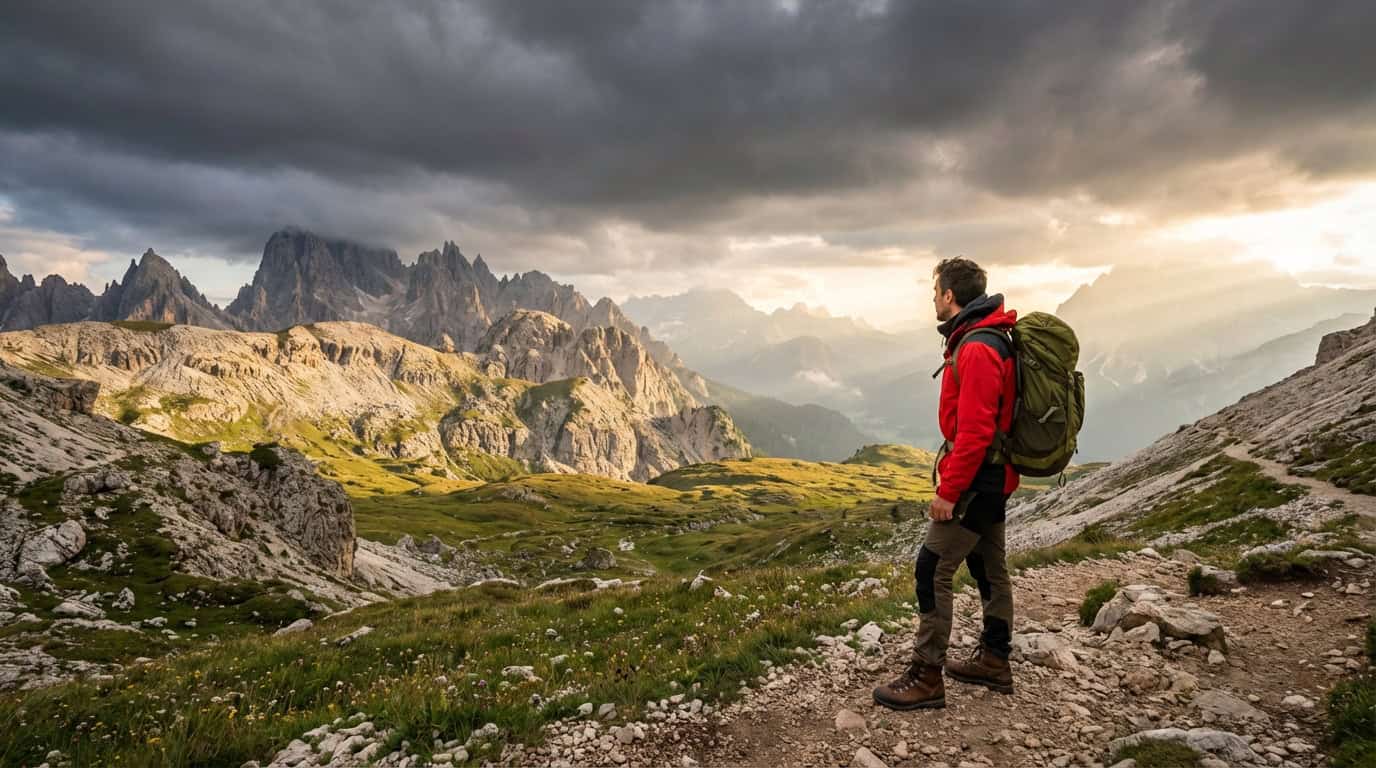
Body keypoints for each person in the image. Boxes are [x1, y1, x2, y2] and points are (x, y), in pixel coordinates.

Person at [873, 257, 1020, 711]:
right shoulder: (995, 337)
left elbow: (975, 432)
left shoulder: (975, 348)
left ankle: (926, 675)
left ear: (950, 296)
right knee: (988, 566)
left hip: (976, 479)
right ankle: (995, 659)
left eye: (935, 292)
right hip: (996, 476)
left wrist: (948, 492)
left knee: (930, 568)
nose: (932, 299)